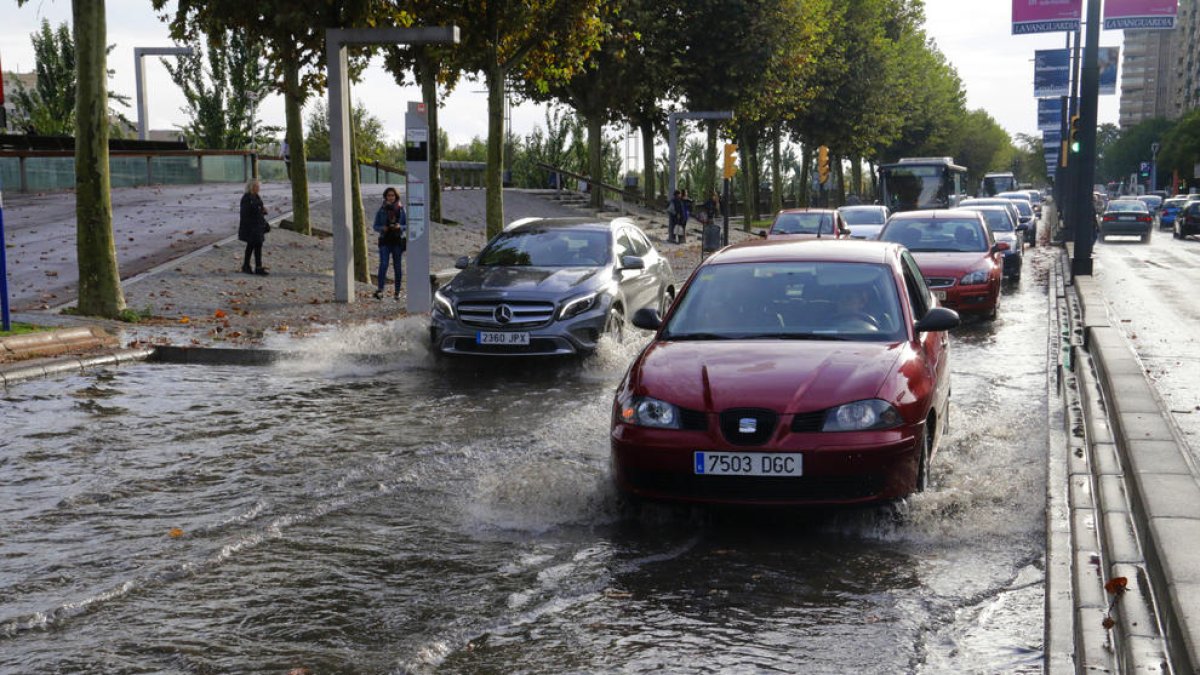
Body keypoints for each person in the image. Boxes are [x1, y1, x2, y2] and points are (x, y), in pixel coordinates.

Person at [373, 186, 407, 299]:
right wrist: (382, 228)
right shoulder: (381, 209)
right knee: (383, 264)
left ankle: (397, 292)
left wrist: (400, 227)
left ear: (396, 196)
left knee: (397, 266)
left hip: (397, 241)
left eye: (392, 195)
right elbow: (375, 226)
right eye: (388, 195)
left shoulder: (401, 209)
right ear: (385, 197)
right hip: (385, 241)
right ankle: (380, 290)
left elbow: (408, 225)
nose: (391, 197)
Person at [238, 179, 270, 275]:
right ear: (252, 187)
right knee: (251, 246)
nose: (258, 188)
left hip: (258, 226)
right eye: (257, 186)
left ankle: (258, 267)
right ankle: (247, 265)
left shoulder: (256, 197)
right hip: (251, 227)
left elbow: (259, 209)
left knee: (257, 246)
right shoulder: (247, 198)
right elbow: (245, 214)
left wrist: (263, 211)